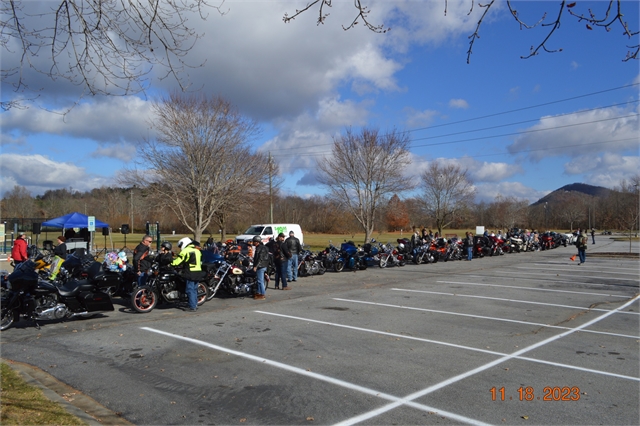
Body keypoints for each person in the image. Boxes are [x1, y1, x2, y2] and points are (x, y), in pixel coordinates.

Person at [171, 237, 204, 311]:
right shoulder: (197, 250)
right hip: (198, 272)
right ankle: (195, 304)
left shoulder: (186, 251)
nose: (180, 248)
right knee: (194, 289)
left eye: (180, 246)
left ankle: (192, 307)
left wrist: (170, 262)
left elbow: (179, 261)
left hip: (190, 272)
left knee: (190, 290)